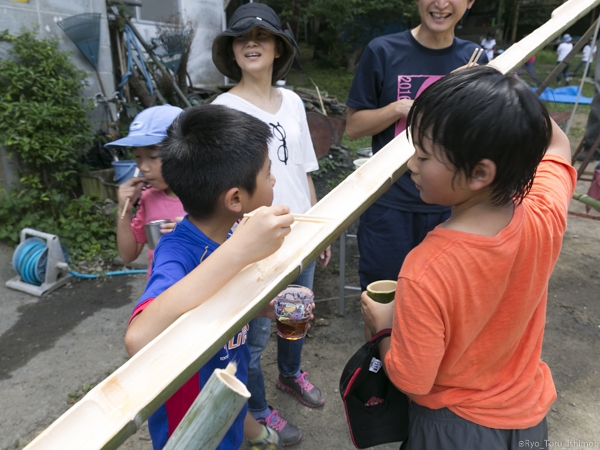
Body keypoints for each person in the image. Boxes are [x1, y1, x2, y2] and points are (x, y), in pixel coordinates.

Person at [361, 66, 575, 449]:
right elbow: (558, 146)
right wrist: (499, 93)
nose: (411, 164)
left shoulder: (426, 269)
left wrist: (382, 329)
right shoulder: (544, 213)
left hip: (453, 430)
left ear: (479, 173)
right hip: (528, 422)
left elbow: (413, 379)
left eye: (424, 156)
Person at [124, 104, 296, 450]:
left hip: (225, 402)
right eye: (267, 173)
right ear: (235, 198)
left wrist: (257, 307)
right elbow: (138, 339)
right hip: (189, 426)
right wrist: (240, 252)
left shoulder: (232, 233)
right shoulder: (178, 251)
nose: (274, 179)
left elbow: (212, 301)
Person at [211, 3, 330, 446]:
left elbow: (303, 170)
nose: (252, 44)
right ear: (233, 50)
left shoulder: (295, 101)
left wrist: (321, 227)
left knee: (296, 314)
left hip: (302, 234)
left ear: (279, 47)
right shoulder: (223, 109)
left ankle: (291, 374)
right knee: (255, 335)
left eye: (262, 36)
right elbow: (223, 192)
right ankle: (258, 409)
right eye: (242, 38)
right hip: (255, 245)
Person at [345, 0, 488, 291]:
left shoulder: (474, 59)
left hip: (452, 207)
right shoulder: (383, 51)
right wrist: (398, 109)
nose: (441, 4)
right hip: (389, 205)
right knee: (383, 301)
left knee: (443, 300)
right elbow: (353, 127)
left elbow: (480, 135)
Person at [109, 105, 186, 279]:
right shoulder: (148, 197)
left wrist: (194, 233)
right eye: (137, 157)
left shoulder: (209, 196)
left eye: (152, 157)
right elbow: (128, 255)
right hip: (159, 291)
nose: (143, 167)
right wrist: (123, 210)